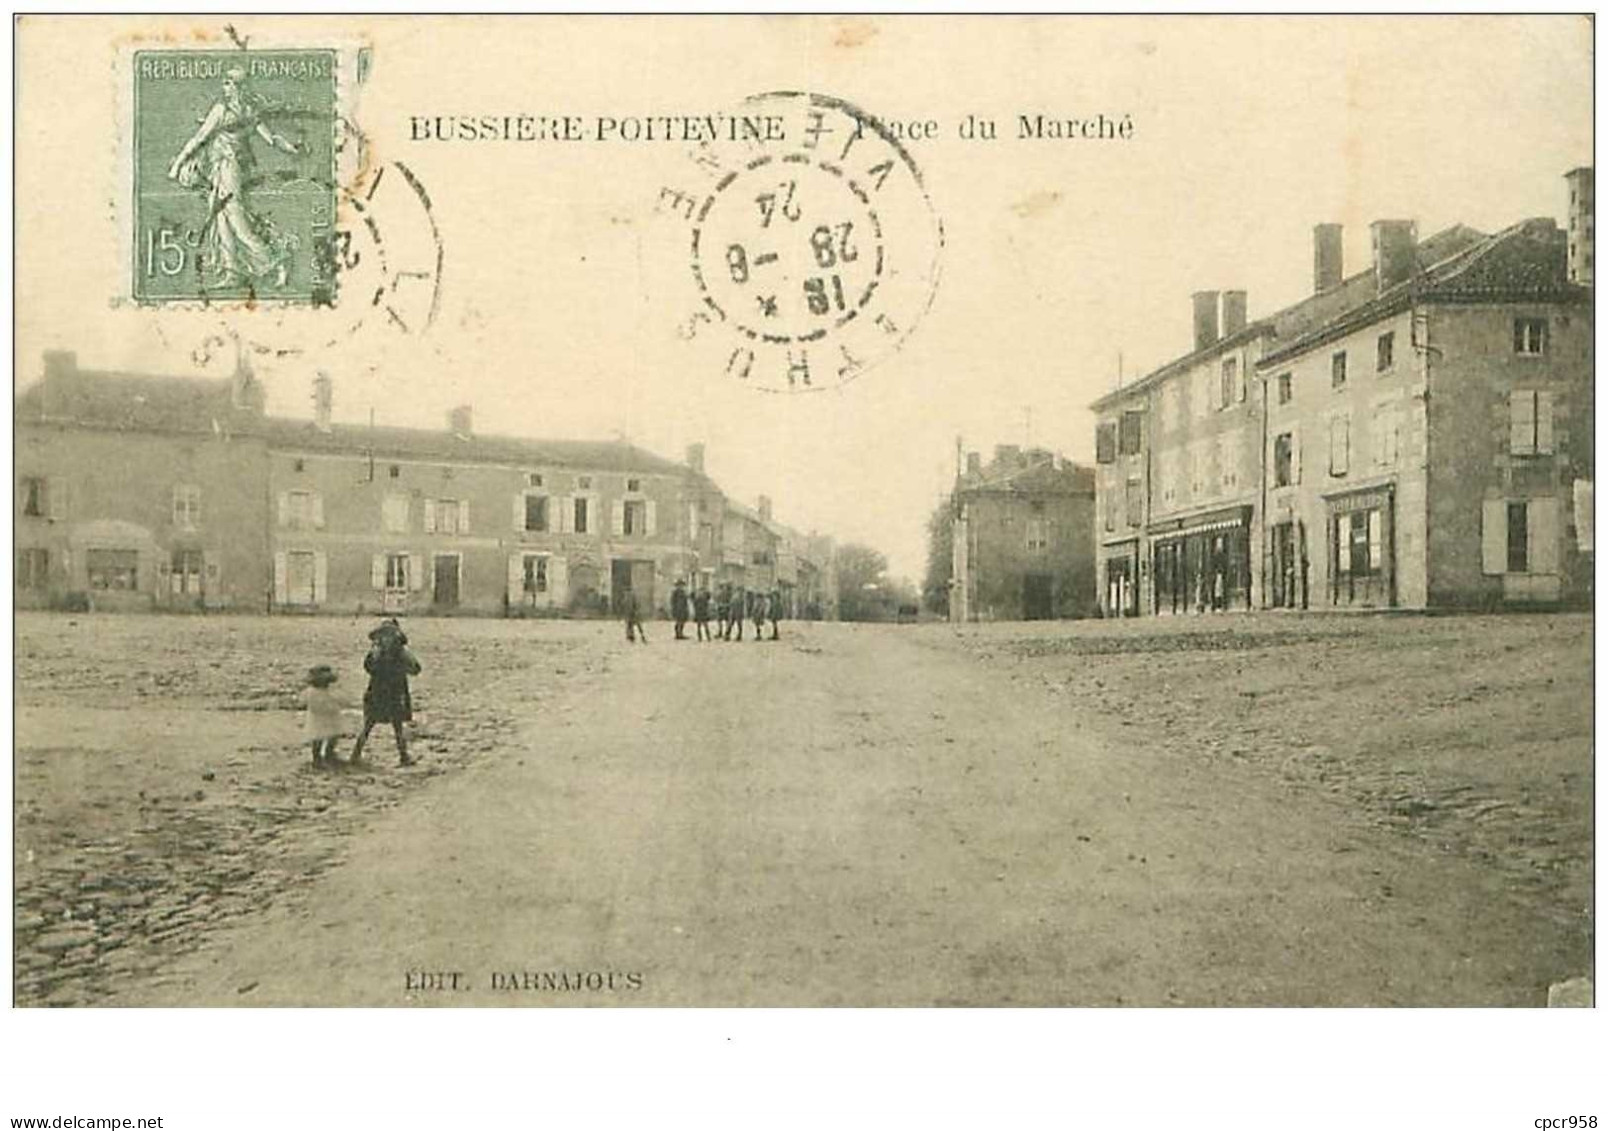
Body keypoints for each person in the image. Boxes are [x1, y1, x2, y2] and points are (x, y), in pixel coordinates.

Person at [166, 67, 303, 290]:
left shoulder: (228, 110)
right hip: (220, 168)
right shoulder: (245, 110)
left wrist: (178, 164)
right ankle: (233, 272)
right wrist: (179, 163)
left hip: (229, 168)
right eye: (225, 83)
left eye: (229, 83)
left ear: (239, 86)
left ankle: (277, 261)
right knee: (222, 222)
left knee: (238, 223)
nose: (225, 87)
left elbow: (201, 138)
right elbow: (202, 137)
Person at [350, 619, 422, 766]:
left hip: (379, 691)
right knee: (395, 726)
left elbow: (368, 667)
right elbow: (415, 669)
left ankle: (356, 754)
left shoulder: (378, 652)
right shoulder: (401, 653)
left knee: (370, 724)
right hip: (392, 692)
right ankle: (403, 756)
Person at [300, 664, 345, 767]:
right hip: (318, 718)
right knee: (318, 738)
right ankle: (317, 757)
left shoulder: (328, 691)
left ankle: (329, 754)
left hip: (330, 717)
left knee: (333, 736)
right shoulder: (311, 692)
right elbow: (306, 702)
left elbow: (339, 700)